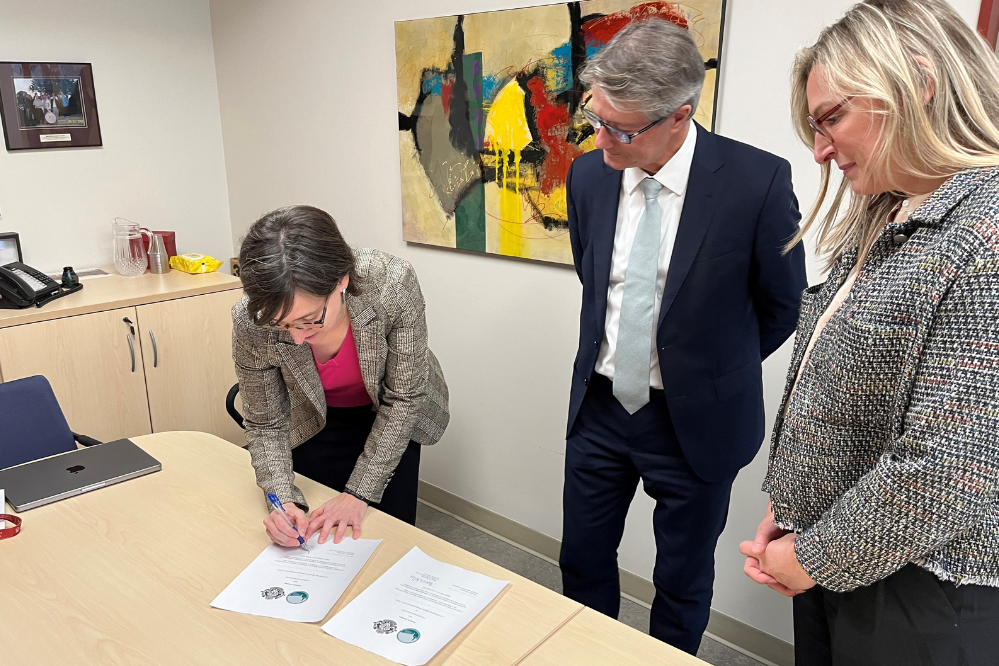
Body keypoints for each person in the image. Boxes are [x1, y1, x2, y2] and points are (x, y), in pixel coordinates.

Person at [740, 1, 999, 663]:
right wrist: (794, 505)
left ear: (918, 82)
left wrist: (815, 553)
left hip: (927, 585)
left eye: (831, 118)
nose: (820, 150)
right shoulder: (887, 215)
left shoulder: (984, 234)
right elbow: (835, 390)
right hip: (849, 554)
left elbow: (948, 472)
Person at [562, 18, 807, 654]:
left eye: (621, 128)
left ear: (679, 115)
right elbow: (595, 282)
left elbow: (782, 308)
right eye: (598, 119)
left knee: (682, 578)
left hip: (695, 424)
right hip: (601, 409)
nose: (603, 138)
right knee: (581, 559)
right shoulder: (589, 178)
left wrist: (707, 371)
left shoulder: (757, 183)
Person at [232, 205, 449, 548]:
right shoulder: (252, 321)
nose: (297, 339)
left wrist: (357, 494)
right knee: (320, 536)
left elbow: (404, 399)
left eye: (310, 319)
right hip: (312, 419)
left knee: (386, 539)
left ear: (342, 281)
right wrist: (281, 500)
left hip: (390, 415)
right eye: (281, 325)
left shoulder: (391, 285)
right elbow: (265, 422)